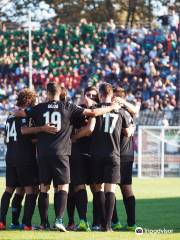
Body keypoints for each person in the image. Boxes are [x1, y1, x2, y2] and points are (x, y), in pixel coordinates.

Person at [13, 82, 120, 231]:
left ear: (47, 93)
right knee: (63, 186)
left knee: (44, 188)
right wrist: (112, 107)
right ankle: (59, 220)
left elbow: (18, 113)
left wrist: (41, 128)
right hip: (62, 152)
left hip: (43, 154)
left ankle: (44, 223)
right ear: (59, 93)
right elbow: (93, 113)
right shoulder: (68, 106)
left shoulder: (39, 108)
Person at [0, 89, 57, 230]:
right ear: (29, 100)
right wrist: (42, 129)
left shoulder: (10, 115)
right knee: (31, 190)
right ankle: (26, 224)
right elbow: (24, 131)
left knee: (10, 189)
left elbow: (13, 137)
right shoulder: (24, 115)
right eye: (34, 100)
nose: (35, 103)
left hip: (11, 155)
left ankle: (3, 221)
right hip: (24, 157)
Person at [88, 83, 131, 231]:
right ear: (112, 95)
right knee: (110, 189)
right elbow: (127, 133)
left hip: (97, 154)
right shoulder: (121, 112)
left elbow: (89, 128)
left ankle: (99, 223)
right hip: (114, 154)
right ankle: (107, 226)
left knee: (98, 189)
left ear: (100, 95)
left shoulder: (95, 109)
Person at [112, 88, 138, 231]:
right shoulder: (110, 110)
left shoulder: (127, 112)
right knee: (110, 188)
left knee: (125, 187)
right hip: (114, 153)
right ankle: (116, 221)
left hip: (124, 154)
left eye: (116, 98)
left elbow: (135, 110)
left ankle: (131, 223)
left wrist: (122, 102)